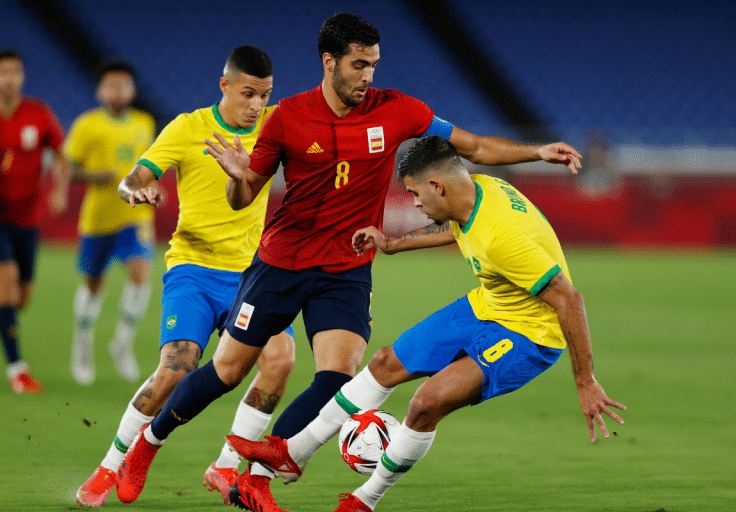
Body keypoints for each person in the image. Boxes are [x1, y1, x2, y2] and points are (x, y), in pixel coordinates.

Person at [116, 13, 583, 512]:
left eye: (374, 65)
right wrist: (237, 177)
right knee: (227, 371)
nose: (368, 76)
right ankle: (148, 444)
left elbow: (472, 147)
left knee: (340, 378)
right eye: (358, 65)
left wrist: (538, 151)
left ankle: (254, 478)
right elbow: (242, 196)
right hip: (282, 263)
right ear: (329, 61)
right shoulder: (288, 117)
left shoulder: (399, 110)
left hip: (345, 268)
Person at [227, 135, 627, 511]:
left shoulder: (503, 236)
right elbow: (458, 227)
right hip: (488, 306)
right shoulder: (478, 190)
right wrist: (394, 243)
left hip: (529, 335)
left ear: (437, 186)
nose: (414, 203)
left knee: (424, 404)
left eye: (416, 194)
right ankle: (293, 454)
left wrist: (586, 381)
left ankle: (364, 499)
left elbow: (570, 301)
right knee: (385, 363)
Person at [75, 45, 295, 507]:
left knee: (280, 359)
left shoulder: (277, 126)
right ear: (225, 85)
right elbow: (131, 178)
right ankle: (111, 465)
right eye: (249, 93)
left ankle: (225, 466)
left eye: (265, 95)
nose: (257, 104)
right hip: (193, 268)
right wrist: (135, 192)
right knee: (177, 367)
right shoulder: (188, 127)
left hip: (253, 275)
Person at [0, 48, 71, 394]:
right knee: (7, 288)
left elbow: (61, 154)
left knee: (22, 299)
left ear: (22, 78)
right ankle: (18, 370)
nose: (9, 79)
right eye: (3, 72)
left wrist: (59, 188)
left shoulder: (38, 114)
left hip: (26, 220)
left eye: (15, 73)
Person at [66, 60, 156, 385]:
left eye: (124, 84)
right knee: (93, 285)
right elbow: (68, 168)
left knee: (141, 278)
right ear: (100, 91)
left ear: (132, 90)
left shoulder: (145, 123)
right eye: (111, 85)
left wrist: (151, 187)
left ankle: (121, 343)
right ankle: (83, 345)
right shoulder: (87, 125)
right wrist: (94, 176)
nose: (118, 90)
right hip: (98, 220)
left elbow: (151, 166)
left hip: (135, 216)